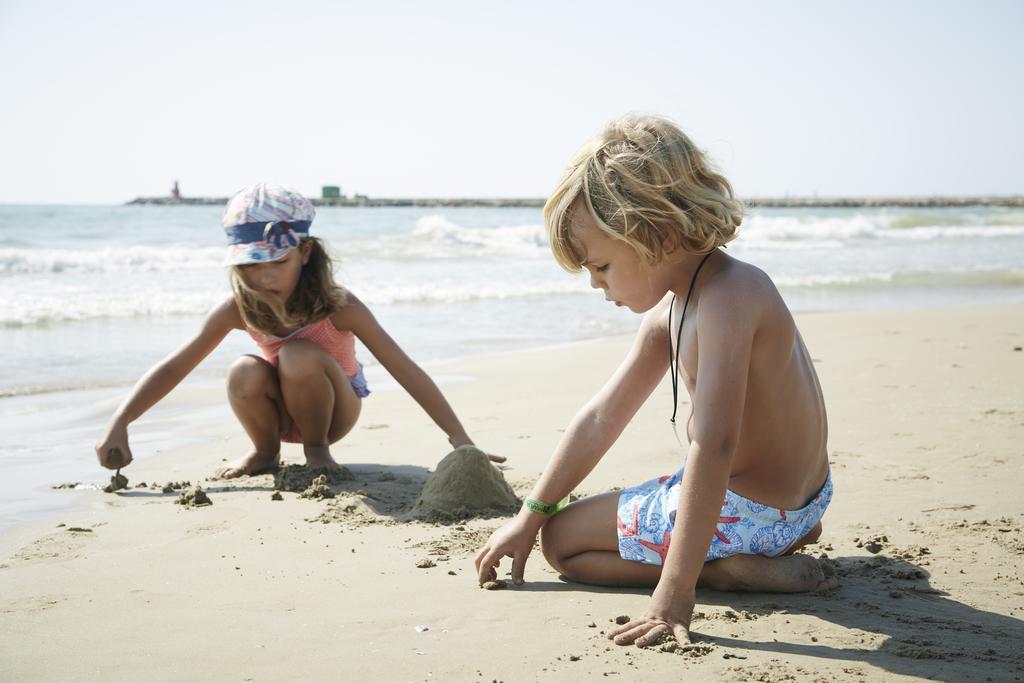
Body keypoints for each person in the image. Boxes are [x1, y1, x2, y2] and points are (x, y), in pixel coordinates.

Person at [474, 115, 835, 648]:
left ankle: (725, 572)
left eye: (600, 265)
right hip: (802, 507)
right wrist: (527, 512)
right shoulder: (696, 300)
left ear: (655, 234)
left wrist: (674, 595)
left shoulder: (726, 300)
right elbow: (602, 416)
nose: (596, 284)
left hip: (749, 510)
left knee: (563, 543)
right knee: (554, 521)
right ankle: (761, 546)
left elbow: (713, 445)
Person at [96, 183, 499, 478]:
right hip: (275, 413)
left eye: (276, 262)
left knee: (297, 354)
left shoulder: (339, 306)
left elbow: (403, 367)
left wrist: (459, 437)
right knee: (242, 368)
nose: (263, 276)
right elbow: (176, 366)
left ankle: (316, 449)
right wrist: (121, 421)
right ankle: (265, 452)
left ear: (305, 253)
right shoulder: (239, 308)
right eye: (251, 265)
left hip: (335, 410)